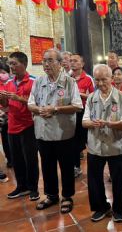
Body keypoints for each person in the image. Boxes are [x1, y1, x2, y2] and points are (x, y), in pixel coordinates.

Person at [28, 48, 83, 213]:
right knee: (47, 165)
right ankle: (51, 195)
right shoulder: (38, 81)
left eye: (50, 60)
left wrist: (56, 109)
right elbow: (30, 103)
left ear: (60, 63)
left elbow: (78, 106)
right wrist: (39, 110)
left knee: (66, 166)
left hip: (63, 132)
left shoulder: (69, 82)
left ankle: (67, 196)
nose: (46, 64)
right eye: (44, 60)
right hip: (42, 132)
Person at [82, 64, 122, 223]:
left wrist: (108, 123)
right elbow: (84, 121)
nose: (101, 83)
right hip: (96, 145)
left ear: (111, 79)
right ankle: (100, 207)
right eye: (97, 80)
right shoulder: (91, 98)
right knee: (94, 180)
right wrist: (92, 123)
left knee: (119, 180)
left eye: (104, 79)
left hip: (116, 145)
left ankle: (118, 210)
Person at [0, 52, 39, 201]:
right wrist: (3, 100)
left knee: (30, 159)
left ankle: (33, 188)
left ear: (24, 64)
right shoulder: (9, 83)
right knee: (16, 159)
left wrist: (20, 99)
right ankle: (22, 186)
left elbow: (38, 104)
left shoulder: (34, 82)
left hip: (29, 125)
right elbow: (6, 107)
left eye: (14, 63)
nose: (11, 67)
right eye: (10, 64)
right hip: (12, 125)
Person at [70, 54, 95, 178]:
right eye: (71, 61)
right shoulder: (67, 78)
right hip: (71, 113)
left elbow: (94, 97)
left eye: (75, 61)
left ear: (82, 63)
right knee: (73, 142)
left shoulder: (88, 78)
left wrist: (80, 95)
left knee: (88, 140)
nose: (72, 63)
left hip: (85, 112)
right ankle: (76, 167)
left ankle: (94, 167)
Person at [0, 60, 12, 168]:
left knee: (13, 139)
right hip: (2, 116)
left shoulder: (12, 82)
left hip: (13, 115)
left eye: (4, 72)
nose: (2, 75)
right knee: (5, 139)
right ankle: (9, 159)